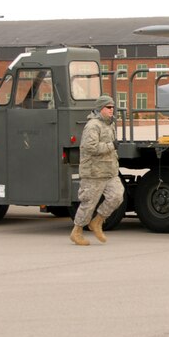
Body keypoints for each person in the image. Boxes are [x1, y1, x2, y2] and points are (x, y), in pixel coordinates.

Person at [70, 95, 124, 246]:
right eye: (108, 107)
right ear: (100, 108)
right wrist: (111, 146)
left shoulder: (109, 124)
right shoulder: (93, 125)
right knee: (88, 203)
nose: (111, 110)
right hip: (94, 172)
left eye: (112, 107)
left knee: (117, 196)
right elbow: (90, 147)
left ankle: (97, 222)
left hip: (109, 171)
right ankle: (77, 231)